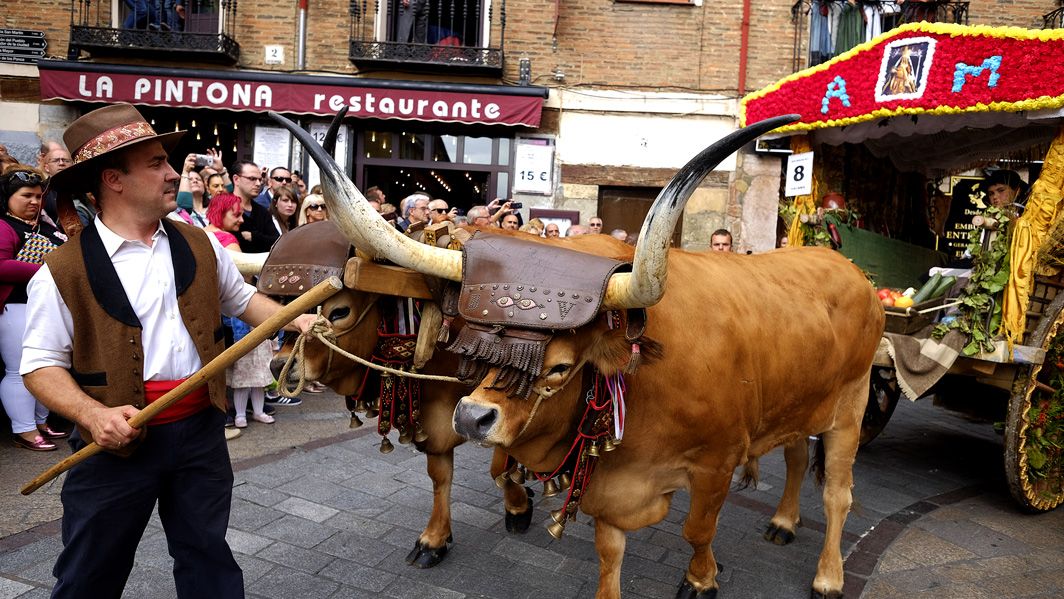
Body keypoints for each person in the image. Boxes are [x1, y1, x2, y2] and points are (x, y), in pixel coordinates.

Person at [19, 103, 317, 598]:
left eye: (167, 161)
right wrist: (93, 416)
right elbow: (40, 367)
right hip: (113, 445)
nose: (172, 172)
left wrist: (298, 319)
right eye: (156, 163)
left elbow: (242, 300)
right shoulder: (62, 270)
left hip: (200, 432)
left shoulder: (199, 243)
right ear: (113, 179)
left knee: (207, 558)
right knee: (90, 572)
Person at [0, 167, 67, 451]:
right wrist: (46, 269)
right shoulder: (4, 226)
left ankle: (40, 421)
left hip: (43, 305)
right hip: (14, 307)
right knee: (18, 370)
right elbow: (2, 266)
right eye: (26, 195)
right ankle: (24, 429)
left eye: (39, 196)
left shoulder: (45, 226)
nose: (34, 201)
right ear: (7, 198)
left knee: (43, 365)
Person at [230, 159, 279, 253]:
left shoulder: (262, 212)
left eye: (260, 179)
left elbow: (276, 241)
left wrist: (254, 236)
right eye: (252, 179)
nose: (258, 184)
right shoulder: (224, 208)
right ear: (236, 179)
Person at [177, 155, 209, 228]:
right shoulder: (180, 212)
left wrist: (221, 171)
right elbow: (183, 206)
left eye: (198, 179)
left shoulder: (214, 207)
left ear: (205, 186)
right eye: (190, 179)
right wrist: (185, 172)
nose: (195, 181)